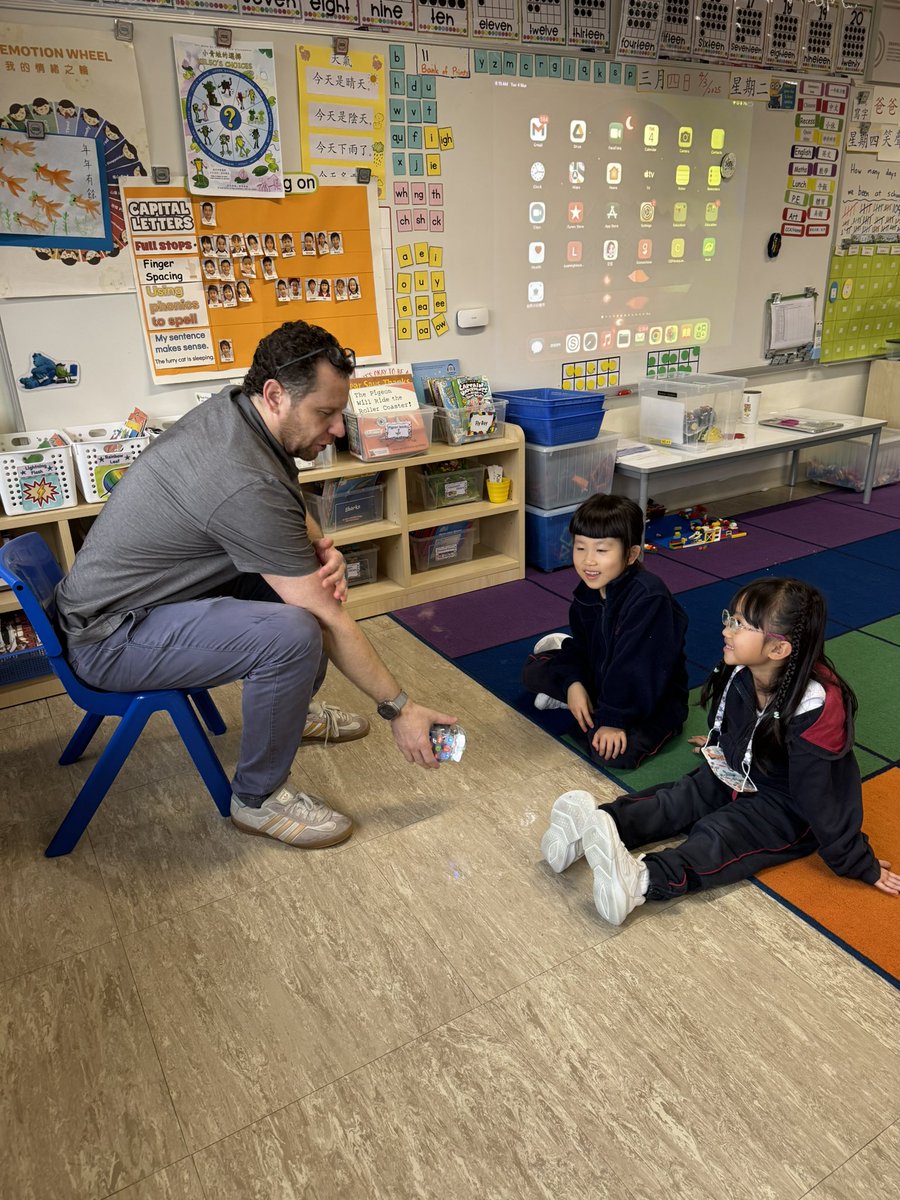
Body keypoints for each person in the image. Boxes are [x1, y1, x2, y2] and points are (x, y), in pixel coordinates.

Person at [55, 322, 457, 849]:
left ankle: (290, 713)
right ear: (274, 394)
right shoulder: (240, 475)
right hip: (110, 638)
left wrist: (320, 545)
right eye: (325, 413)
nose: (339, 429)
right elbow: (323, 606)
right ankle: (257, 799)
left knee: (305, 596)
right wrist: (399, 708)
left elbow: (281, 496)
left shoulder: (237, 413)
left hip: (141, 602)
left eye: (340, 412)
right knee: (295, 631)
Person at [540, 577, 900, 925]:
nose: (727, 629)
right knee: (680, 798)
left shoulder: (816, 705)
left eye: (740, 625)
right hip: (739, 771)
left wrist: (855, 860)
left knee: (721, 833)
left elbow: (822, 795)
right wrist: (723, 743)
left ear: (778, 649)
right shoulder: (741, 669)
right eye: (731, 618)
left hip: (789, 804)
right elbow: (733, 720)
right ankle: (594, 825)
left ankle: (640, 882)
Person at [522, 494, 688, 770]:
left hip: (649, 697)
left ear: (631, 555)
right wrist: (573, 683)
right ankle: (575, 692)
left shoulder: (649, 599)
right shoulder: (588, 591)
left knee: (613, 754)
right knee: (532, 672)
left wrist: (613, 720)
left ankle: (587, 707)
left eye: (601, 550)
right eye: (580, 548)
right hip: (602, 677)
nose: (588, 561)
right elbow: (583, 649)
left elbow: (636, 669)